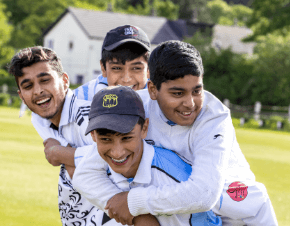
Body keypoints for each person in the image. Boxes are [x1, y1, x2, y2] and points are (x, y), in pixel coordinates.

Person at [73, 40, 278, 226]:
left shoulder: (213, 116)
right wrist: (126, 207)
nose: (190, 104)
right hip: (180, 213)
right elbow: (85, 174)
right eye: (177, 93)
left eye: (197, 91)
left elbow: (204, 194)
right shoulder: (136, 106)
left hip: (238, 213)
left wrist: (133, 203)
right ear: (152, 90)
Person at [8, 25, 157, 226]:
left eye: (45, 80)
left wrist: (63, 154)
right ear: (21, 95)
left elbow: (121, 158)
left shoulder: (90, 115)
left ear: (65, 81)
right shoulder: (42, 118)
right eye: (28, 86)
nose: (38, 91)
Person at [82, 85, 222, 226]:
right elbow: (82, 176)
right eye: (106, 139)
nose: (117, 153)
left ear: (144, 128)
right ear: (93, 136)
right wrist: (137, 217)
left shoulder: (177, 177)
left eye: (126, 138)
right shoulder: (99, 169)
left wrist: (133, 204)